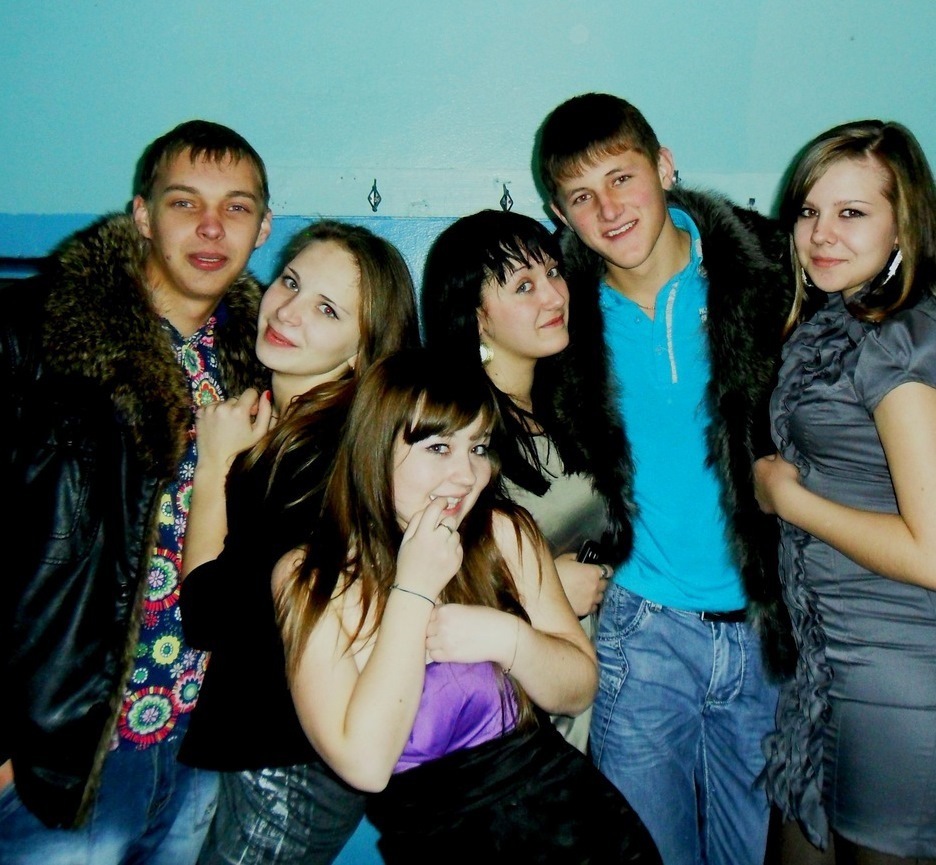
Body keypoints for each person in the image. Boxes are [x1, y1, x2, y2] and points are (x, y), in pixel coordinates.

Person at [0, 120, 272, 864]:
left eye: (237, 207)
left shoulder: (264, 363)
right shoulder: (35, 336)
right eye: (185, 203)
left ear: (263, 227)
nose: (212, 227)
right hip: (65, 753)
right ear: (143, 215)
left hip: (199, 745)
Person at [535, 92, 796, 865]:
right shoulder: (563, 321)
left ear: (665, 165)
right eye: (582, 196)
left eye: (622, 178)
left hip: (766, 628)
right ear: (559, 211)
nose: (609, 209)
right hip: (642, 630)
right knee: (642, 854)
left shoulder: (770, 278)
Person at [273, 348, 661, 864]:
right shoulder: (312, 577)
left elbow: (578, 689)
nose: (467, 474)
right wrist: (413, 590)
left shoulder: (502, 533)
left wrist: (508, 639)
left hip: (581, 833)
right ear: (374, 447)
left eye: (478, 447)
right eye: (438, 447)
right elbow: (366, 764)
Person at [177, 219, 420, 864]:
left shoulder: (323, 458)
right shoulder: (291, 430)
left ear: (363, 351)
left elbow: (206, 614)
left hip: (287, 771)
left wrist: (215, 464)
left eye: (327, 309)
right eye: (290, 281)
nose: (287, 311)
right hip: (280, 755)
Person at [754, 120, 936, 864]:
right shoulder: (840, 323)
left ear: (903, 224)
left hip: (896, 682)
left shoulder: (900, 340)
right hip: (828, 669)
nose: (821, 234)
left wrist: (788, 500)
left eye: (852, 212)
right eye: (809, 211)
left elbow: (931, 554)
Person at [420, 208, 632, 752]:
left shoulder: (571, 407)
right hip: (512, 703)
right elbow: (417, 581)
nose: (555, 296)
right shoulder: (458, 434)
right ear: (478, 318)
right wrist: (542, 588)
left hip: (597, 667)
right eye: (524, 286)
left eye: (553, 273)